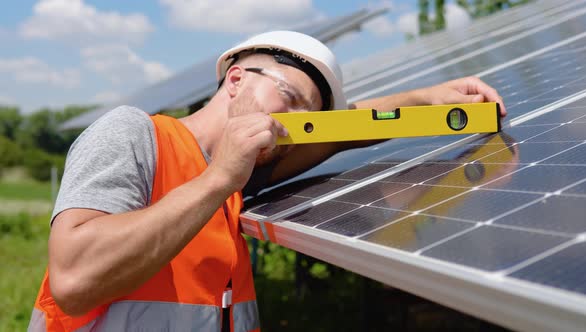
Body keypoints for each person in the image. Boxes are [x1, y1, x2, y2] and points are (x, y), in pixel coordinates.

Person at [28, 30, 506, 332]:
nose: (296, 123)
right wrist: (221, 177)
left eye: (309, 116)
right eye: (290, 97)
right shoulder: (135, 134)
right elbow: (75, 279)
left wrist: (427, 98)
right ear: (236, 80)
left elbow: (341, 134)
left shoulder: (241, 176)